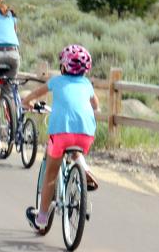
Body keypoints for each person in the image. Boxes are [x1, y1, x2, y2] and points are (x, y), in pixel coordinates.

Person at [21, 44, 100, 234]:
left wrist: (26, 103)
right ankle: (84, 169)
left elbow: (34, 95)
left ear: (64, 66)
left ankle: (41, 218)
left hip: (61, 132)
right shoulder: (87, 85)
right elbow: (96, 107)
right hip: (86, 133)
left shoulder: (56, 81)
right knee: (75, 149)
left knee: (51, 173)